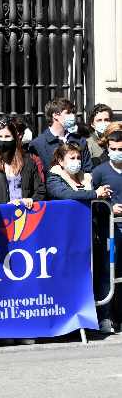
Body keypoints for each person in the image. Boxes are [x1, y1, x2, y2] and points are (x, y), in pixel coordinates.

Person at [92, 129, 122, 334]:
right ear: (107, 149)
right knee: (107, 272)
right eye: (113, 149)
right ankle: (105, 317)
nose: (117, 153)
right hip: (110, 232)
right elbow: (92, 200)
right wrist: (110, 206)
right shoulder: (100, 172)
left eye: (121, 149)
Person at [0, 119, 46, 206]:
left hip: (25, 214)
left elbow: (40, 189)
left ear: (14, 138)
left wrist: (31, 200)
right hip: (0, 214)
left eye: (7, 136)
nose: (3, 140)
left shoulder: (27, 162)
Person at [30, 98, 92, 173]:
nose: (72, 116)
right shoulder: (38, 144)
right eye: (68, 113)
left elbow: (87, 170)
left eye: (73, 112)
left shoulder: (80, 141)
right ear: (55, 115)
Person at [46, 143, 111, 201]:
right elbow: (66, 194)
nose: (76, 161)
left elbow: (101, 192)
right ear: (61, 161)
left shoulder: (87, 177)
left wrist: (104, 194)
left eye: (78, 158)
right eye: (72, 158)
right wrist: (95, 193)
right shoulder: (53, 179)